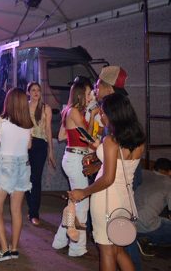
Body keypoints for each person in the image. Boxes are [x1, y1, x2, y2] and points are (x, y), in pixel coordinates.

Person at [69, 93, 145, 271]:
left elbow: (109, 178)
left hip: (106, 201)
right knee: (118, 250)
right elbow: (122, 166)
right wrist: (98, 166)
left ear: (114, 114)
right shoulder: (138, 139)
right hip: (125, 199)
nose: (101, 116)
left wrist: (83, 192)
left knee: (107, 252)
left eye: (103, 113)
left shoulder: (111, 140)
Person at [0, 88, 33, 262]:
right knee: (16, 210)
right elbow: (29, 146)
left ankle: (4, 249)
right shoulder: (27, 123)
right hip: (23, 165)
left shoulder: (0, 121)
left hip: (6, 166)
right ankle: (14, 248)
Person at [52, 79, 95, 257]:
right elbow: (88, 137)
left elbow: (61, 136)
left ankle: (60, 240)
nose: (90, 96)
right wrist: (92, 115)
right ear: (80, 94)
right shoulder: (75, 111)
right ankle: (77, 247)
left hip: (73, 157)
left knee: (74, 202)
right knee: (82, 203)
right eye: (88, 93)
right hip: (76, 158)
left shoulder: (69, 110)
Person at [25, 82, 56, 226]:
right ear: (28, 92)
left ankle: (34, 213)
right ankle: (31, 207)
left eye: (38, 90)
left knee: (35, 179)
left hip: (40, 144)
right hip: (25, 144)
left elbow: (48, 129)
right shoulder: (24, 107)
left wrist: (51, 151)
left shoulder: (45, 108)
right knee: (25, 178)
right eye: (33, 90)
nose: (36, 92)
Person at [134, 157, 171, 254]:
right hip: (145, 226)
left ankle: (138, 238)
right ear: (169, 172)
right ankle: (147, 240)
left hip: (128, 222)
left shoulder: (142, 173)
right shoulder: (168, 183)